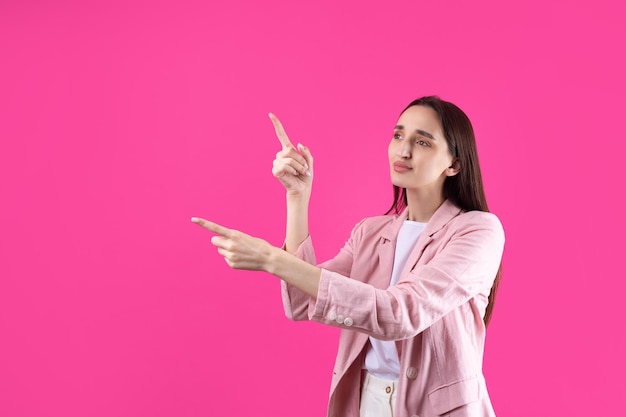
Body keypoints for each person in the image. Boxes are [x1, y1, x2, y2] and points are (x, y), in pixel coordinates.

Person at [191, 96, 505, 417]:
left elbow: (400, 313)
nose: (404, 150)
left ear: (454, 164)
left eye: (422, 142)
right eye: (398, 136)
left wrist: (273, 259)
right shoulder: (369, 232)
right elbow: (300, 300)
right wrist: (297, 198)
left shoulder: (478, 231)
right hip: (366, 401)